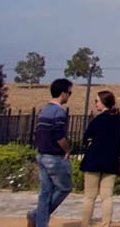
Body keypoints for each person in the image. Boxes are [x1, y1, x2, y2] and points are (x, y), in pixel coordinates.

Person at [28, 78, 73, 227]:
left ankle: (40, 221)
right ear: (63, 93)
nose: (69, 96)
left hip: (41, 154)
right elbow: (59, 135)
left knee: (45, 192)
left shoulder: (44, 111)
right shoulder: (59, 112)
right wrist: (67, 149)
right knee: (65, 188)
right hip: (54, 156)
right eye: (69, 93)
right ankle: (37, 216)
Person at [80, 90, 120, 227]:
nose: (95, 103)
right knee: (107, 196)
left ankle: (86, 224)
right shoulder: (118, 120)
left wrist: (90, 142)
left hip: (94, 160)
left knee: (89, 196)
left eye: (97, 101)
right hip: (111, 160)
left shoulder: (98, 120)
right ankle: (105, 224)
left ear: (104, 102)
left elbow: (86, 137)